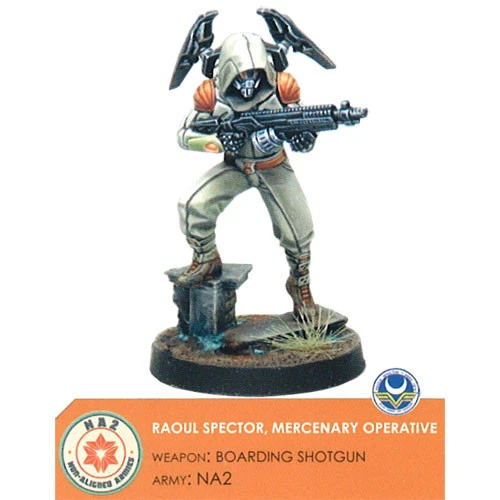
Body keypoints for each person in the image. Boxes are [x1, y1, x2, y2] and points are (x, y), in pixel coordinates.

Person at [176, 32, 318, 316]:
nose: (248, 83)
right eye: (240, 76)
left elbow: (302, 123)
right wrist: (218, 142)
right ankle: (206, 258)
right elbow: (184, 136)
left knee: (299, 231)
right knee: (192, 205)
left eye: (254, 74)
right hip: (236, 166)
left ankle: (300, 284)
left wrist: (304, 138)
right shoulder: (211, 95)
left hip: (273, 165)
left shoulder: (282, 88)